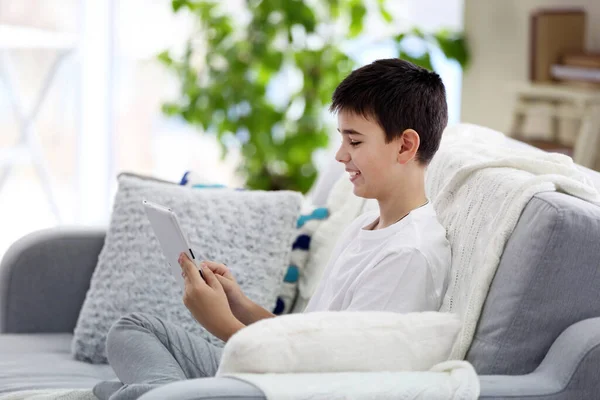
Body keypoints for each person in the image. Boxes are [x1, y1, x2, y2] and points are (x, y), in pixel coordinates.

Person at [93, 58, 451, 400]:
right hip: (281, 376)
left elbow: (338, 384)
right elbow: (304, 343)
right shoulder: (365, 226)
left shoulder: (407, 255)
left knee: (127, 375)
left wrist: (222, 325)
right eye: (342, 140)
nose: (341, 155)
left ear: (405, 145)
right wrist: (240, 304)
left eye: (354, 141)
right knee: (133, 329)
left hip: (287, 391)